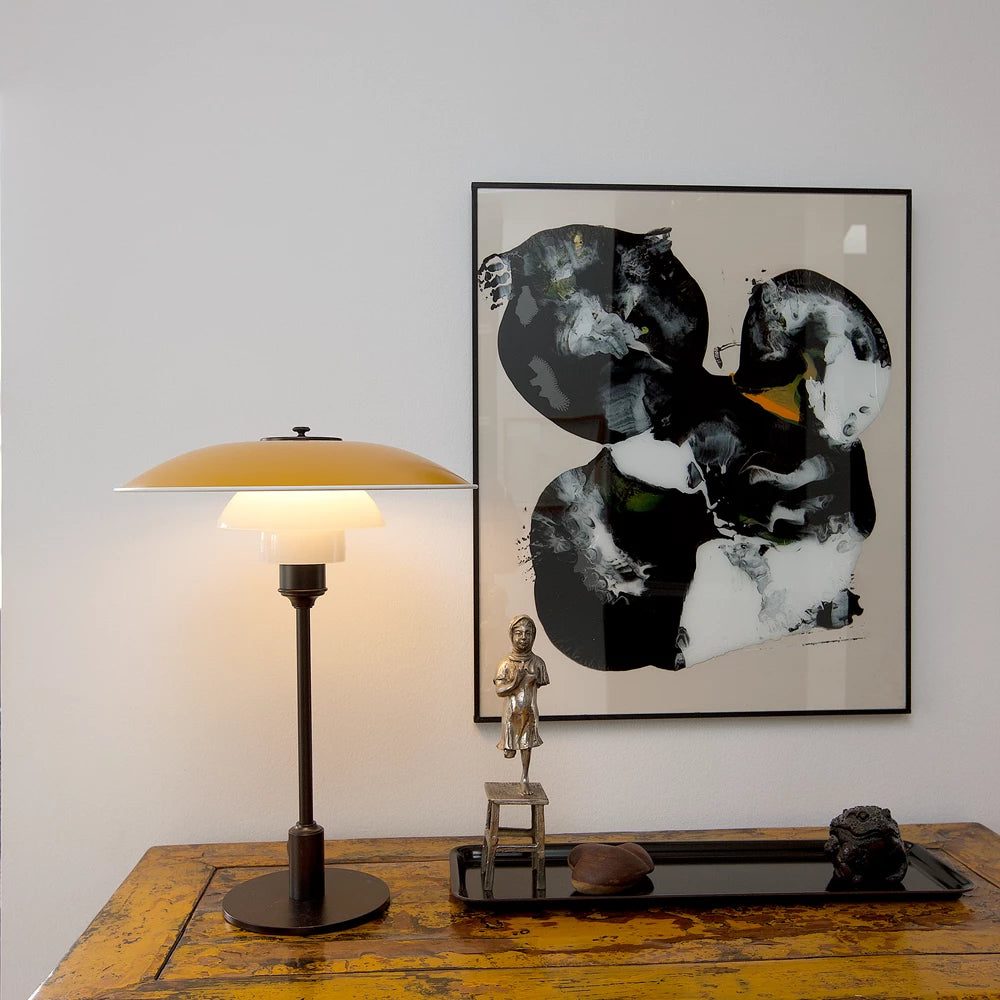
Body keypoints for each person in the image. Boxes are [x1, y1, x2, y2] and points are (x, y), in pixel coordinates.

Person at [494, 615, 549, 794]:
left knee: (527, 744)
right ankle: (509, 748)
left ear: (534, 636)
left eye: (528, 633)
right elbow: (500, 691)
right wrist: (515, 682)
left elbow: (539, 682)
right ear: (512, 635)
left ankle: (524, 777)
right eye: (519, 633)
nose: (523, 637)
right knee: (510, 751)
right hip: (511, 713)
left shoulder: (538, 663)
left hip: (529, 712)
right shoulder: (505, 663)